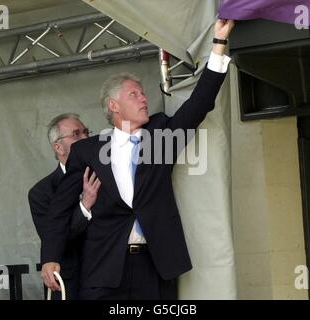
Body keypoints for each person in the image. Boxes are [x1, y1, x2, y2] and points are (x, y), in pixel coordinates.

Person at [42, 18, 235, 299]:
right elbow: (58, 211)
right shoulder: (87, 151)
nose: (143, 99)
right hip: (104, 269)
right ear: (113, 105)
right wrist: (50, 257)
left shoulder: (161, 134)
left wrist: (218, 44)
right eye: (134, 94)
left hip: (155, 267)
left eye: (143, 93)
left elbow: (200, 104)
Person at [28, 113, 101, 299]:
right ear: (58, 147)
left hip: (109, 275)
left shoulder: (104, 175)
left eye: (86, 132)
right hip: (71, 283)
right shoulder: (41, 192)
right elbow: (56, 239)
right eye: (76, 134)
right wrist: (84, 206)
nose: (85, 138)